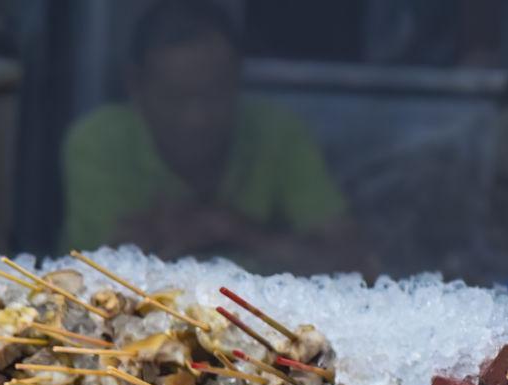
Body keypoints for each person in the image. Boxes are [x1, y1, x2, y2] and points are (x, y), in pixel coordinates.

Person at [60, 2, 363, 273]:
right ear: (136, 86)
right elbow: (94, 271)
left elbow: (355, 260)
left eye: (214, 95)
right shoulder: (98, 142)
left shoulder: (280, 134)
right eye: (176, 98)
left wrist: (234, 229)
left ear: (237, 80)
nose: (197, 119)